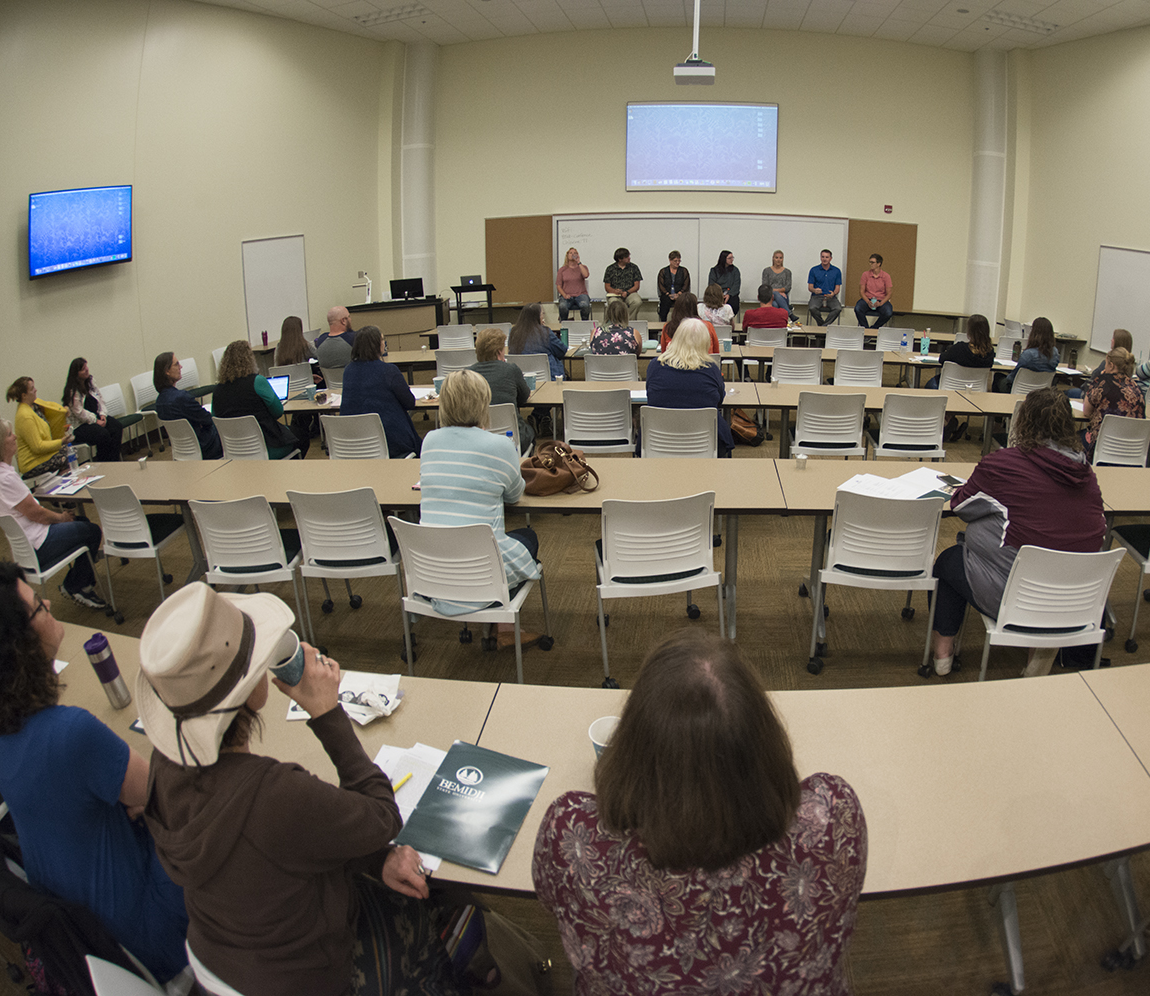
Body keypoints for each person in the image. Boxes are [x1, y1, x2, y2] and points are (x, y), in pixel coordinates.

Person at [138, 582, 463, 996]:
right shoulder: (273, 792)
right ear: (250, 690)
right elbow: (382, 816)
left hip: (216, 963)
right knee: (421, 915)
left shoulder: (165, 764)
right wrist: (327, 712)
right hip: (304, 978)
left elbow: (273, 850)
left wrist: (373, 858)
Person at [533, 630, 866, 995]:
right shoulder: (835, 816)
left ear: (633, 744)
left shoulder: (570, 833)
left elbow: (550, 898)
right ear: (766, 739)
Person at [0, 563, 188, 981]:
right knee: (213, 806)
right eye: (36, 608)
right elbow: (168, 791)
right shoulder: (71, 734)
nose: (47, 604)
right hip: (145, 935)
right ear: (17, 644)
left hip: (84, 935)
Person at [926, 389, 1106, 676]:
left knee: (950, 561)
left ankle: (942, 656)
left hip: (1020, 596)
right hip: (1074, 598)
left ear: (1023, 423)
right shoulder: (1086, 474)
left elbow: (960, 506)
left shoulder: (1004, 464)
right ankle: (1039, 657)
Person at [419, 371, 541, 641]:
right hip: (482, 569)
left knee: (480, 538)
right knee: (528, 537)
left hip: (433, 568)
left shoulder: (429, 441)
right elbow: (515, 495)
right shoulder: (500, 445)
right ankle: (505, 627)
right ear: (483, 402)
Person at [0, 420, 106, 608]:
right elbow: (37, 514)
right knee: (91, 531)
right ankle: (77, 585)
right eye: (10, 434)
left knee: (81, 521)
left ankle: (76, 582)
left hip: (26, 545)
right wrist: (61, 518)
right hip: (39, 545)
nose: (15, 437)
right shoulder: (7, 478)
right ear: (0, 443)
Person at [646, 319, 735, 458]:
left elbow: (651, 397)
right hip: (704, 442)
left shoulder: (655, 366)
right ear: (705, 342)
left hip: (659, 440)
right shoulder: (711, 369)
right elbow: (719, 400)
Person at [211, 339, 305, 459]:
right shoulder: (257, 381)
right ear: (250, 360)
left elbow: (216, 420)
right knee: (301, 436)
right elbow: (278, 412)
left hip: (234, 451)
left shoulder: (217, 390)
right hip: (268, 446)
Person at [339, 326, 420, 458]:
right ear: (376, 345)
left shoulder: (348, 371)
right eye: (382, 340)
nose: (384, 343)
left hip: (354, 443)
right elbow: (410, 402)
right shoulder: (389, 371)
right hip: (390, 443)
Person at [929, 313, 996, 440]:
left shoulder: (959, 348)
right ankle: (950, 421)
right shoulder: (990, 353)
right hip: (975, 391)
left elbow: (942, 359)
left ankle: (945, 421)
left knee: (930, 386)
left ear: (969, 331)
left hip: (951, 388)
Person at [467, 327, 534, 454]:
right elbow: (524, 397)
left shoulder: (467, 374)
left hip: (477, 438)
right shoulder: (511, 369)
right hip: (511, 439)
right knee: (530, 432)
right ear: (499, 352)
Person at [1080, 346, 1146, 461]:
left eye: (1106, 363)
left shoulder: (1102, 381)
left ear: (1111, 365)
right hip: (1131, 450)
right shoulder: (1136, 387)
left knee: (1070, 440)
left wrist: (1098, 379)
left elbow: (1086, 411)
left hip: (1102, 446)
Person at [152, 353, 222, 459]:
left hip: (182, 450)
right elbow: (207, 419)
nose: (180, 367)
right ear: (167, 371)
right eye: (176, 364)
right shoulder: (181, 398)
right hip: (205, 446)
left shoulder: (160, 401)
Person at [6, 376, 72, 480]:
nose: (35, 390)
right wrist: (61, 441)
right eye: (32, 389)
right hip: (31, 464)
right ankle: (64, 486)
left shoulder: (34, 407)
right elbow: (38, 447)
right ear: (24, 395)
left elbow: (53, 411)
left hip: (41, 457)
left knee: (67, 450)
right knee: (63, 456)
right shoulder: (25, 416)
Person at [60, 358, 123, 463]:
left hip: (95, 417)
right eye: (83, 369)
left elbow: (100, 399)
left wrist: (103, 414)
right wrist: (96, 421)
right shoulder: (72, 391)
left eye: (86, 367)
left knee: (117, 427)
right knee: (103, 434)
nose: (86, 370)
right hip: (80, 425)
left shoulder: (90, 382)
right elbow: (79, 413)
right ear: (76, 373)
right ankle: (104, 462)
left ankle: (114, 460)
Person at [274, 314, 322, 441]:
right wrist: (308, 375)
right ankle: (318, 423)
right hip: (305, 388)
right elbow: (320, 356)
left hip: (288, 391)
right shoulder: (305, 345)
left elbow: (277, 370)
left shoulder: (279, 348)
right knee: (321, 379)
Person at [996, 316, 1058, 393]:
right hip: (1043, 391)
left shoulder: (1028, 354)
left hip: (1021, 390)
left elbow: (1013, 377)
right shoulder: (1055, 353)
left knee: (998, 377)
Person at [507, 302, 568, 380]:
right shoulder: (545, 332)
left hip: (520, 379)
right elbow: (562, 351)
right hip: (548, 379)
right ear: (538, 316)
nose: (543, 316)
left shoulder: (513, 332)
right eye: (542, 314)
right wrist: (543, 328)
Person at [853, 253, 894, 329]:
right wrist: (868, 302)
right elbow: (861, 291)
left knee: (888, 312)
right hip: (867, 299)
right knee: (858, 308)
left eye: (872, 262)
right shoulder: (865, 274)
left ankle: (874, 329)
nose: (870, 264)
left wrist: (881, 303)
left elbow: (889, 294)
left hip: (881, 300)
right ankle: (865, 329)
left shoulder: (886, 276)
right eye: (870, 262)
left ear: (879, 264)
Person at [602, 247, 643, 320]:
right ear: (620, 259)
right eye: (627, 257)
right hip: (615, 294)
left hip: (630, 293)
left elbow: (636, 286)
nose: (629, 258)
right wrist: (615, 291)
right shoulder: (610, 269)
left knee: (637, 301)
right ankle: (616, 323)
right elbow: (607, 286)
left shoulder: (634, 267)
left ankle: (628, 320)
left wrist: (627, 292)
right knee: (612, 302)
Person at [314, 305, 357, 371]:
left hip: (329, 381)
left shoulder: (321, 340)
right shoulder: (355, 338)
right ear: (343, 321)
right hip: (352, 380)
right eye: (349, 317)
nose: (350, 319)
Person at [806, 248, 843, 326]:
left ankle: (823, 327)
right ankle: (823, 326)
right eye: (823, 257)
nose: (824, 259)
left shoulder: (836, 271)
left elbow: (837, 288)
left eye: (827, 257)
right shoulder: (814, 270)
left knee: (838, 308)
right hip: (817, 296)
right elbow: (810, 287)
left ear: (830, 258)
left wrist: (833, 293)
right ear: (820, 257)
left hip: (831, 297)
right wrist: (815, 290)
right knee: (812, 308)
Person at [556, 245, 592, 322]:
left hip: (581, 294)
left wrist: (578, 262)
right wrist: (564, 295)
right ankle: (563, 326)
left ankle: (585, 325)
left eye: (575, 253)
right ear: (567, 256)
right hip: (567, 295)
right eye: (571, 253)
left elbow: (586, 275)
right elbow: (559, 286)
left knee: (584, 305)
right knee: (562, 306)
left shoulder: (583, 267)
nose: (573, 254)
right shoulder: (562, 270)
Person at [655, 250, 690, 323]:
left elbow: (686, 284)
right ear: (670, 260)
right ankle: (663, 322)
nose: (677, 263)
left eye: (679, 261)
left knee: (684, 301)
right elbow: (661, 285)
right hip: (667, 294)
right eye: (675, 261)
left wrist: (679, 294)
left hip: (680, 294)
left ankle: (682, 322)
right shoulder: (663, 271)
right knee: (665, 301)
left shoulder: (684, 271)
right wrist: (668, 294)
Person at [707, 249, 741, 316]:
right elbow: (712, 284)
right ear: (724, 259)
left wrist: (729, 294)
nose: (732, 259)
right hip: (717, 295)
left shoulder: (735, 270)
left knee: (733, 303)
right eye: (729, 258)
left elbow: (736, 284)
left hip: (731, 295)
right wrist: (720, 294)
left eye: (732, 257)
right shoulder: (714, 270)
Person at [760, 249, 793, 317]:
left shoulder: (787, 272)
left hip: (783, 297)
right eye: (776, 257)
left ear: (783, 259)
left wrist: (777, 292)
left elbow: (788, 287)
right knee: (774, 304)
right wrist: (777, 292)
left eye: (780, 258)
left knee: (775, 303)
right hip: (769, 296)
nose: (778, 260)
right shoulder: (767, 271)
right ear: (773, 258)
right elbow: (765, 286)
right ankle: (789, 313)